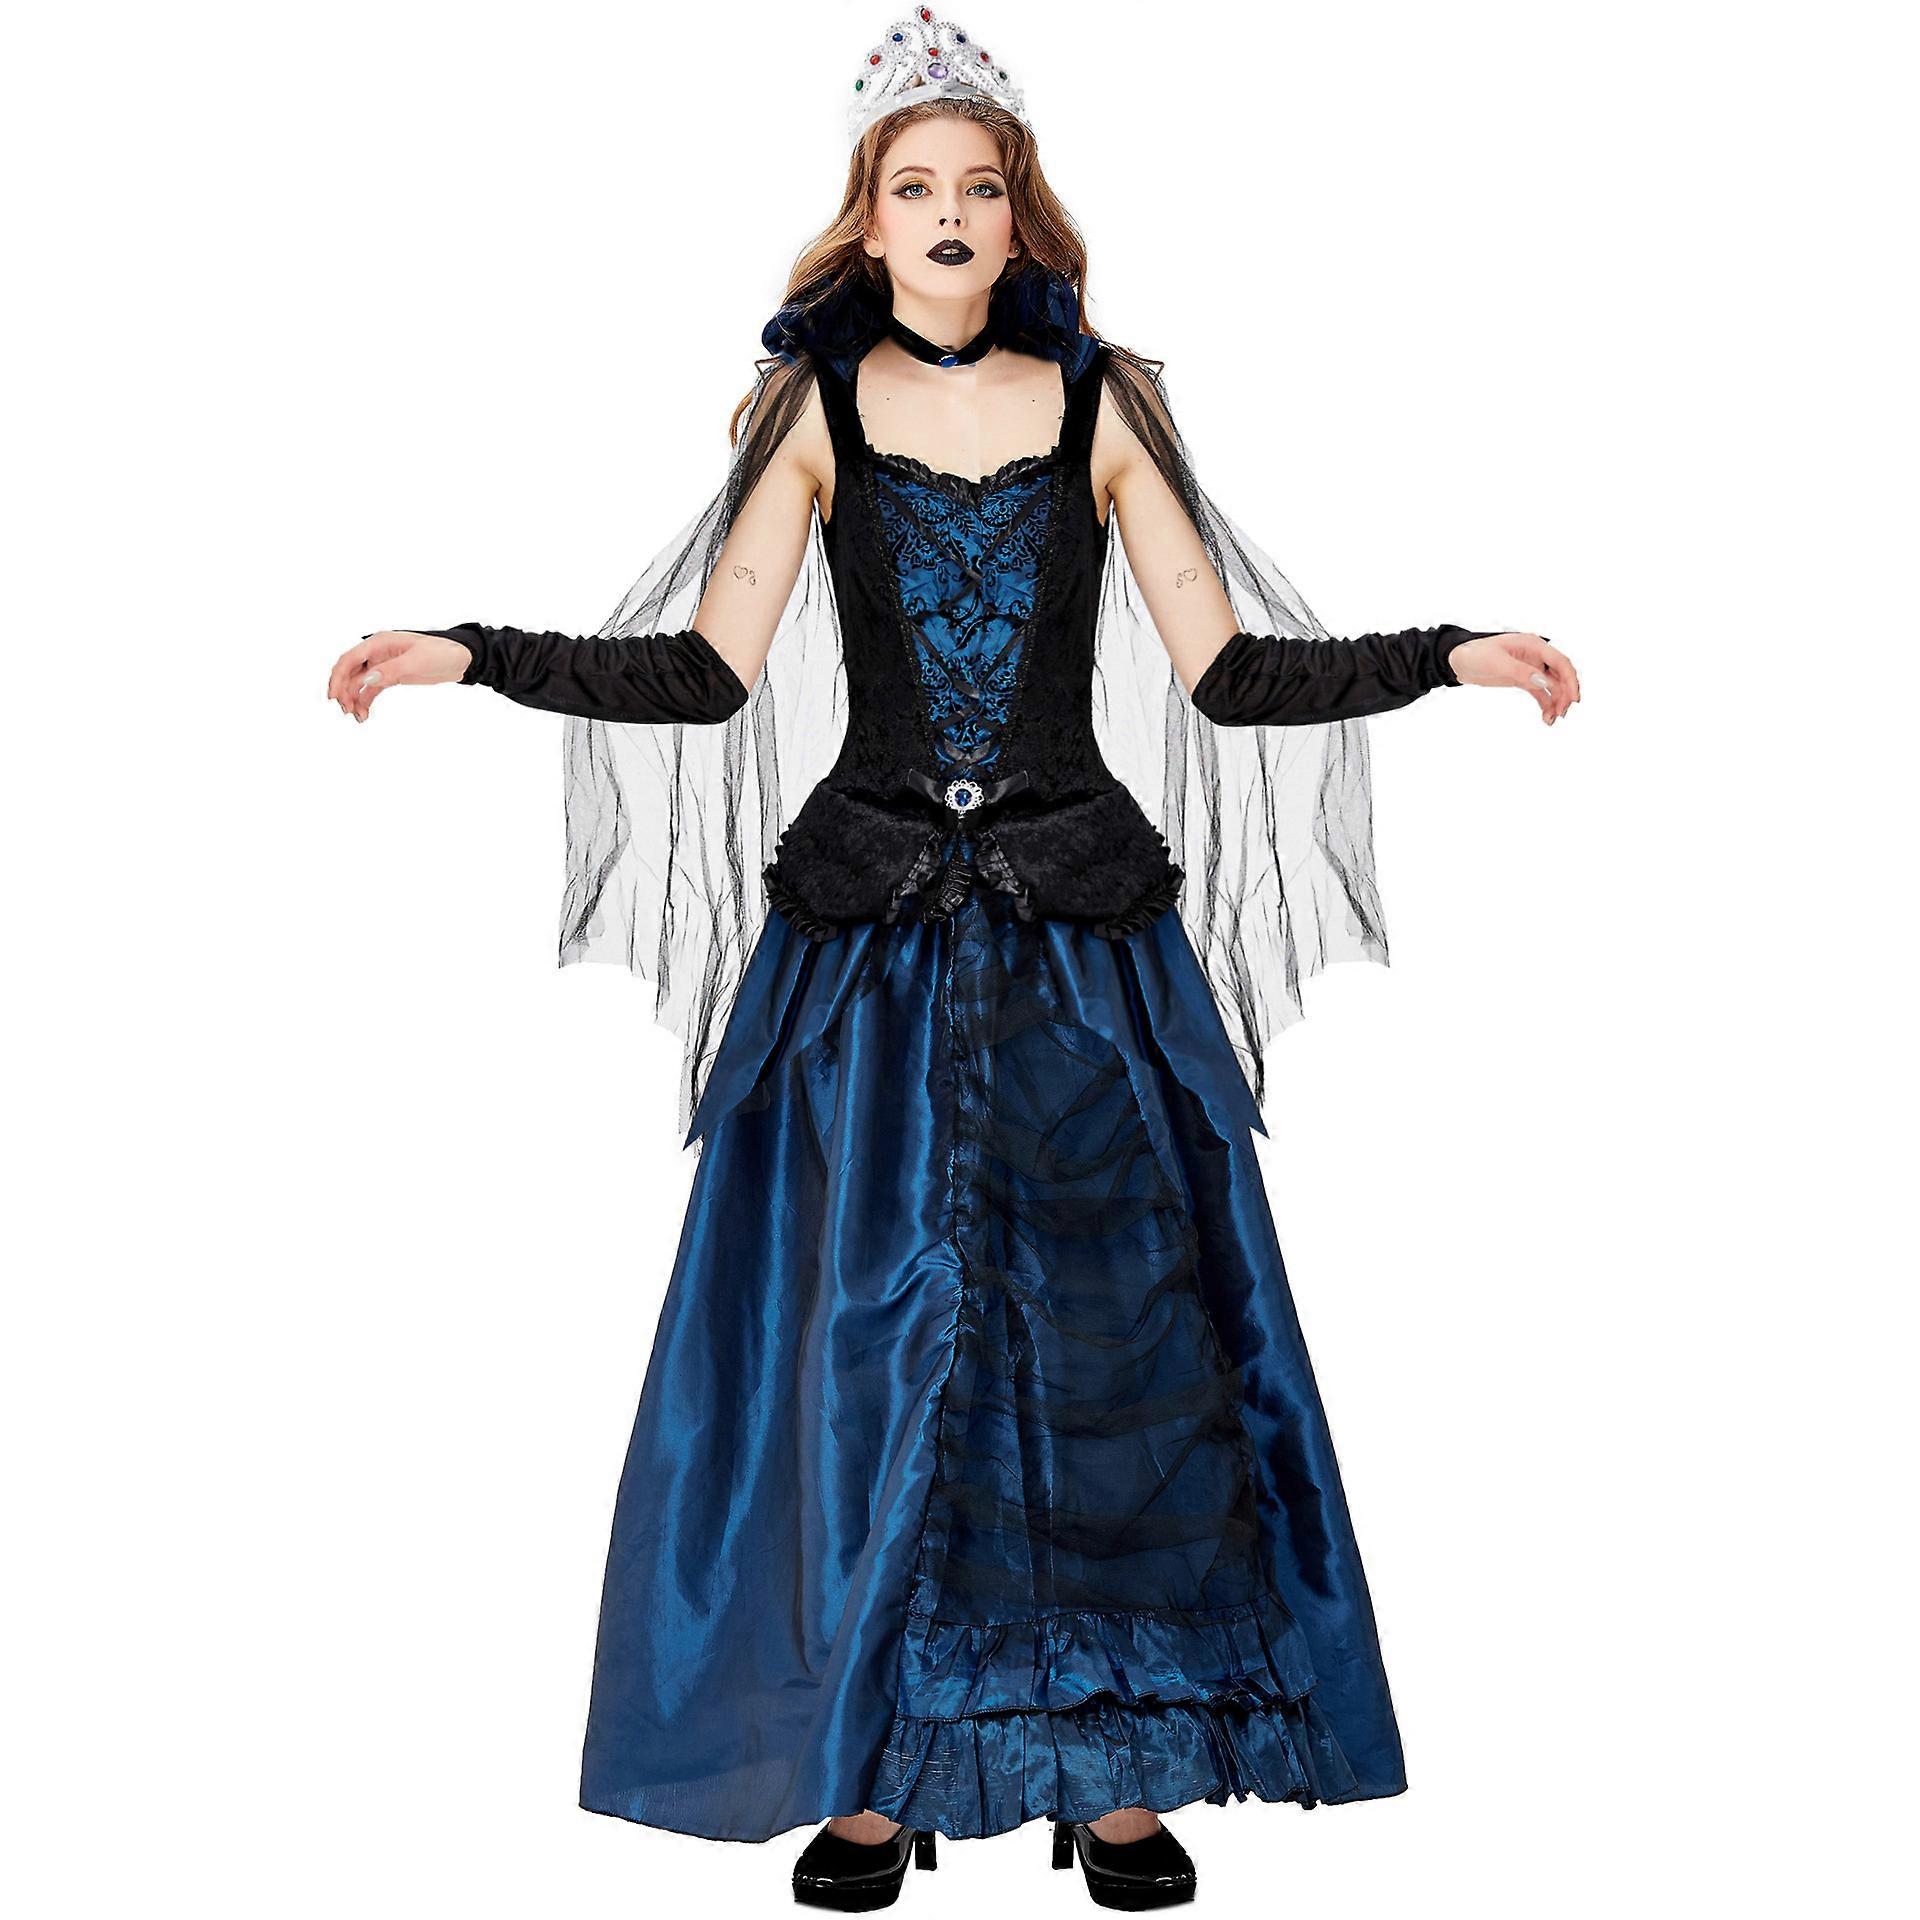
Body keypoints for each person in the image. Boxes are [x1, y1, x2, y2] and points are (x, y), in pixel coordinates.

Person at [327, 16, 1578, 1912]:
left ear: (1016, 216)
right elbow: (702, 673)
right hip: (875, 955)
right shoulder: (812, 413)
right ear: (868, 219)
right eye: (912, 187)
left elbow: (1232, 674)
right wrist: (473, 655)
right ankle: (872, 1765)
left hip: (1080, 946)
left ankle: (1115, 1762)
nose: (946, 215)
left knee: (1112, 1346)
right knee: (864, 1355)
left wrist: (1449, 655)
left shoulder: (1103, 407)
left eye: (976, 187)